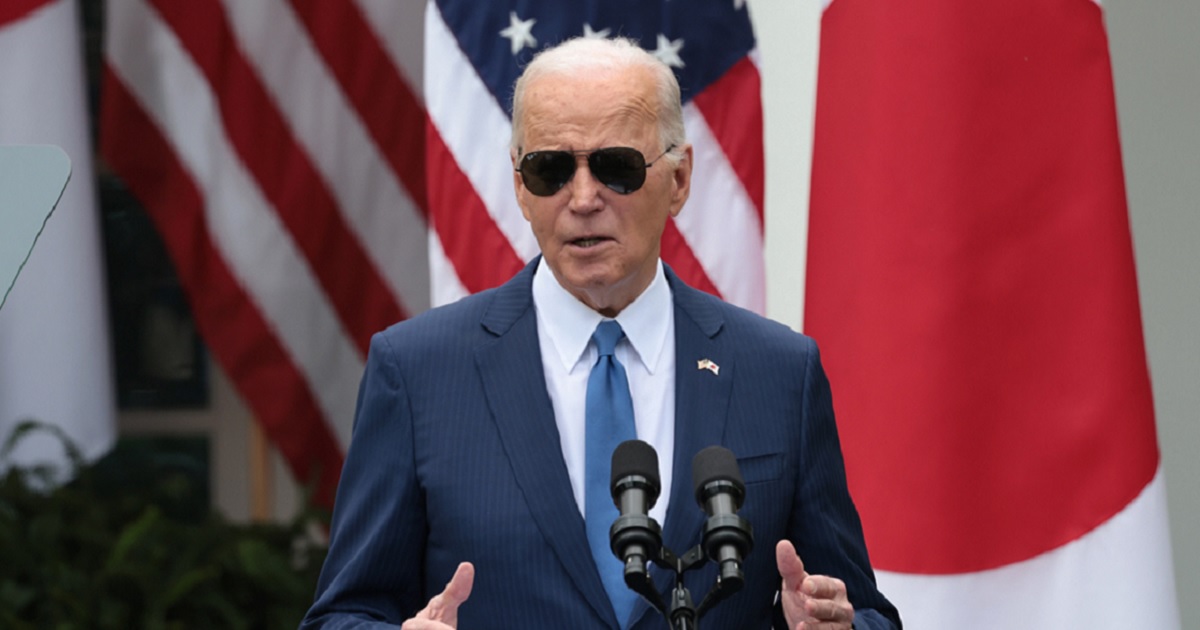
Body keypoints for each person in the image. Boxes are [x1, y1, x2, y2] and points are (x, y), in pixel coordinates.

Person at [301, 36, 900, 630]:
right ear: (519, 187)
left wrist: (832, 627)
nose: (583, 198)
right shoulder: (417, 371)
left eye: (616, 168)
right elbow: (342, 616)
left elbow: (866, 612)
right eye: (550, 170)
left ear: (680, 179)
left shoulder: (778, 372)